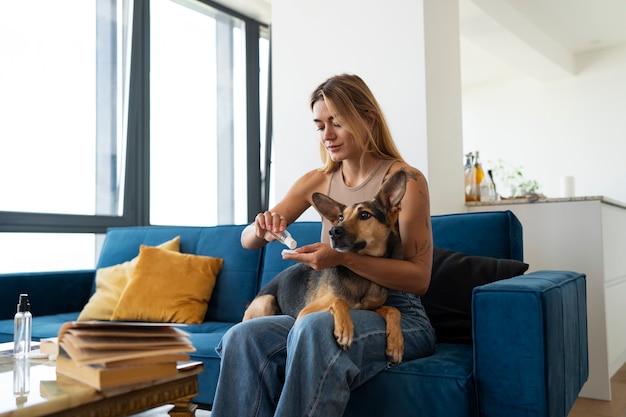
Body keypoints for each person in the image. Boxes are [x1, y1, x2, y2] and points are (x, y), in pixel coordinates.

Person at [211, 74, 435, 417]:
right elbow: (247, 241)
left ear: (367, 118)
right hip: (333, 304)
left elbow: (419, 279)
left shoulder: (406, 179)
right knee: (246, 335)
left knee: (316, 327)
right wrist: (261, 227)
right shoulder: (317, 181)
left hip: (398, 311)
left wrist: (340, 259)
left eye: (337, 123)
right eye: (319, 125)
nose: (327, 135)